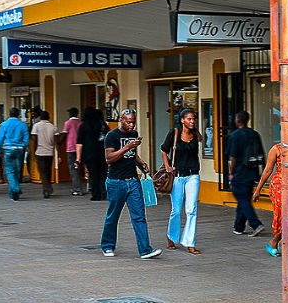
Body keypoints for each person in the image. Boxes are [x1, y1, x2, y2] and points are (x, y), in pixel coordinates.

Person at [99, 108, 162, 259]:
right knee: (113, 216)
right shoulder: (111, 136)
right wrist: (127, 147)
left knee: (139, 215)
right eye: (128, 122)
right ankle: (107, 246)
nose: (131, 125)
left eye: (133, 122)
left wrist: (141, 164)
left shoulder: (134, 134)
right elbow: (109, 158)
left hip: (133, 181)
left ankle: (145, 250)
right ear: (121, 120)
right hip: (116, 182)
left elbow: (132, 155)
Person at [254, 141, 288, 262]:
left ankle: (276, 243)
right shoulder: (276, 149)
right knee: (286, 217)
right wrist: (258, 190)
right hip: (278, 186)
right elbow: (267, 170)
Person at [160, 108, 203, 253]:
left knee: (191, 210)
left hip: (193, 175)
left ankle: (189, 242)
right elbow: (163, 149)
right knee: (176, 210)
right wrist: (167, 166)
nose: (192, 121)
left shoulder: (196, 134)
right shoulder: (175, 133)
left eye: (193, 119)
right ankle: (171, 236)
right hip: (177, 175)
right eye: (189, 119)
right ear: (182, 120)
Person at [226, 110, 264, 237]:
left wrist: (231, 172)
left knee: (243, 200)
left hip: (239, 172)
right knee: (244, 199)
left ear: (237, 120)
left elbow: (233, 157)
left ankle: (256, 224)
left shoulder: (235, 135)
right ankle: (239, 226)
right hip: (252, 172)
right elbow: (261, 154)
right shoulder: (255, 134)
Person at [0, 107, 29, 201]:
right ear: (18, 114)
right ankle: (13, 193)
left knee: (10, 171)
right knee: (18, 171)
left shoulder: (4, 125)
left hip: (8, 149)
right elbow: (26, 139)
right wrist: (24, 146)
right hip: (19, 149)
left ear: (9, 114)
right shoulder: (23, 125)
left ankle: (15, 188)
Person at [77, 107, 107, 201]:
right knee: (103, 173)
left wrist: (78, 158)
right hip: (102, 153)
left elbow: (79, 143)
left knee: (93, 174)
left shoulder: (83, 126)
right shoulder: (102, 125)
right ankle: (104, 191)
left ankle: (95, 194)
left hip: (89, 153)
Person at [31, 109, 56, 199]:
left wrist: (34, 152)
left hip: (39, 152)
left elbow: (34, 140)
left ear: (40, 117)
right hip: (49, 152)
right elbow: (56, 140)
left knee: (42, 172)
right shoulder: (53, 127)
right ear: (49, 117)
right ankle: (48, 187)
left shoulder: (36, 126)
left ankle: (46, 189)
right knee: (48, 171)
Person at [61, 106, 83, 195]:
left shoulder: (68, 123)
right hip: (80, 148)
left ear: (70, 114)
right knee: (78, 167)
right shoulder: (81, 123)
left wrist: (58, 143)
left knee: (73, 169)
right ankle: (79, 187)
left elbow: (64, 135)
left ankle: (77, 189)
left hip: (71, 148)